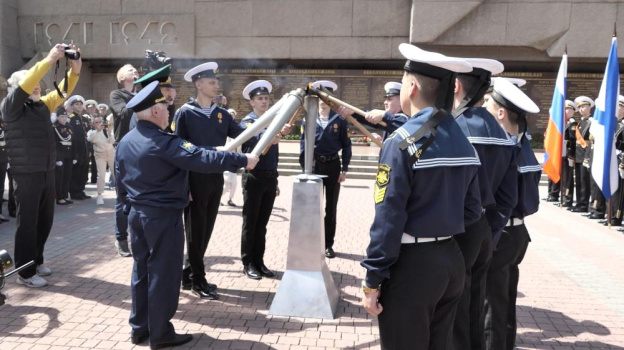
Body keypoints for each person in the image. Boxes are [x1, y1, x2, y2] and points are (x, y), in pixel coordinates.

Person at [115, 80, 259, 349]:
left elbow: (120, 181)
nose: (170, 111)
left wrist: (128, 210)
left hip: (137, 214)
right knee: (164, 274)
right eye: (166, 106)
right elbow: (202, 158)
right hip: (162, 218)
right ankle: (160, 333)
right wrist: (243, 160)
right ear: (155, 111)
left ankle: (139, 327)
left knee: (142, 272)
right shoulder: (163, 141)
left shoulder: (127, 140)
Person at [360, 43, 481, 350]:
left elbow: (389, 218)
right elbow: (472, 209)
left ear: (411, 86)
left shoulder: (401, 142)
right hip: (451, 260)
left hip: (413, 266)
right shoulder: (462, 140)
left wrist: (373, 279)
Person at [452, 59, 519, 350]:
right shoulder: (504, 135)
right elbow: (508, 198)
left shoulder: (451, 128)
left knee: (452, 308)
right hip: (483, 228)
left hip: (452, 229)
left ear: (455, 86)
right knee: (476, 304)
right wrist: (491, 233)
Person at [0, 43, 81, 288]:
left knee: (45, 220)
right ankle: (25, 272)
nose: (37, 86)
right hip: (26, 174)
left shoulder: (41, 105)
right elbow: (28, 81)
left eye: (37, 83)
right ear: (18, 88)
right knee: (27, 223)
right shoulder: (10, 106)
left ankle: (36, 261)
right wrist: (48, 61)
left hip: (46, 171)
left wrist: (75, 68)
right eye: (31, 83)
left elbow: (63, 91)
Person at [173, 62, 247, 299]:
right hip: (194, 180)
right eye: (212, 82)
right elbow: (179, 147)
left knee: (205, 230)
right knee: (195, 231)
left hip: (215, 178)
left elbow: (242, 133)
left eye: (216, 82)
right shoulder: (185, 112)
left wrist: (269, 130)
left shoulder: (221, 114)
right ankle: (198, 280)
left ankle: (187, 274)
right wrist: (184, 185)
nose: (217, 86)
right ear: (199, 84)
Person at [482, 77, 541, 350]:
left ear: (502, 113)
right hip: (517, 232)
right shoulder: (524, 145)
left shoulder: (505, 149)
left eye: (488, 105)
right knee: (505, 296)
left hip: (501, 231)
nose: (483, 109)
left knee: (491, 302)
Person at [239, 80, 292, 279]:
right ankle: (247, 262)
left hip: (269, 179)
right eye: (259, 99)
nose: (264, 102)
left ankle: (259, 261)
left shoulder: (273, 123)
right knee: (250, 223)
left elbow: (273, 157)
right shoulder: (247, 122)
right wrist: (271, 137)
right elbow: (250, 142)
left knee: (262, 224)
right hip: (254, 178)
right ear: (251, 102)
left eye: (266, 98)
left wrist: (275, 181)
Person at [299, 80, 352, 259]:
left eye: (326, 97)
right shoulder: (308, 119)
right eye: (319, 97)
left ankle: (328, 244)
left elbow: (347, 145)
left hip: (333, 166)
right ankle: (312, 242)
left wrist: (344, 169)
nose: (323, 101)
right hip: (314, 165)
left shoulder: (340, 120)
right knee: (313, 206)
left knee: (331, 207)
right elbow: (303, 145)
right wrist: (304, 168)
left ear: (331, 100)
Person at [110, 63, 139, 258]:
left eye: (136, 70)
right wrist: (141, 99)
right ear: (122, 77)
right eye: (130, 70)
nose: (135, 71)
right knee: (123, 199)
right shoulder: (117, 95)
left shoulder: (141, 94)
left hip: (141, 148)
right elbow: (123, 113)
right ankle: (121, 238)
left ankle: (139, 238)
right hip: (124, 149)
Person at [569, 96, 594, 213]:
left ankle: (584, 204)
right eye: (579, 107)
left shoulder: (591, 122)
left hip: (586, 155)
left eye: (584, 106)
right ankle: (579, 203)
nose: (581, 109)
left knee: (585, 181)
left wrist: (588, 157)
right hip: (578, 156)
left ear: (590, 108)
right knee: (578, 181)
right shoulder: (580, 123)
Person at [67, 95, 92, 200]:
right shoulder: (71, 118)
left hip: (85, 149)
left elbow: (89, 135)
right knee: (76, 172)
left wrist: (90, 149)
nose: (80, 106)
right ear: (72, 106)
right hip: (77, 149)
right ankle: (74, 192)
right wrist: (74, 151)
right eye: (77, 104)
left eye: (81, 104)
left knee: (84, 171)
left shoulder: (85, 118)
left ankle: (81, 190)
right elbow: (72, 136)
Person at [604, 95, 624, 226]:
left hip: (620, 160)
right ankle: (611, 215)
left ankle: (617, 215)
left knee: (620, 191)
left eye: (618, 106)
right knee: (612, 189)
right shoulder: (614, 124)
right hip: (613, 160)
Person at [87, 116, 115, 205]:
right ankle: (99, 195)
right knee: (101, 175)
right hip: (100, 156)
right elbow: (92, 140)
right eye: (96, 122)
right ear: (93, 124)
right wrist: (98, 131)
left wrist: (110, 133)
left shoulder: (108, 130)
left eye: (100, 122)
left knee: (116, 174)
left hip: (111, 154)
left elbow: (112, 142)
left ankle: (121, 193)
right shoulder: (91, 132)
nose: (99, 124)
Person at [53, 113, 76, 205]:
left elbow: (73, 142)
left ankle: (65, 195)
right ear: (57, 117)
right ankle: (59, 197)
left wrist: (75, 156)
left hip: (69, 155)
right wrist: (57, 158)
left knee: (67, 176)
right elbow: (55, 143)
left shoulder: (69, 127)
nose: (64, 118)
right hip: (60, 156)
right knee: (60, 177)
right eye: (61, 116)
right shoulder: (55, 127)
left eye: (65, 117)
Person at [561, 100, 578, 207]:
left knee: (568, 177)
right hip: (561, 153)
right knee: (563, 175)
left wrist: (571, 155)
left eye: (568, 109)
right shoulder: (562, 122)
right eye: (565, 109)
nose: (566, 111)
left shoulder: (572, 123)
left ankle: (568, 199)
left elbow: (572, 140)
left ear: (572, 111)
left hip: (568, 154)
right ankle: (562, 196)